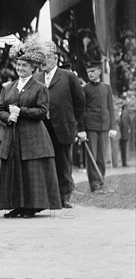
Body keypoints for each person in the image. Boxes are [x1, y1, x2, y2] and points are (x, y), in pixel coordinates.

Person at [0, 38, 61, 218]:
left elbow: (42, 111)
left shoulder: (39, 88)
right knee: (15, 170)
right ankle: (17, 205)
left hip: (33, 136)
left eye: (24, 65)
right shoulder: (8, 88)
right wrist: (8, 117)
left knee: (31, 170)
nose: (20, 68)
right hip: (12, 135)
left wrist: (21, 111)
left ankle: (31, 207)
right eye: (18, 64)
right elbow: (0, 109)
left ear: (33, 68)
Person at [35, 41, 85, 208]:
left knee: (63, 162)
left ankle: (65, 196)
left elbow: (80, 103)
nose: (43, 61)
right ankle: (50, 196)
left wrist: (73, 122)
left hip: (63, 126)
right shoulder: (37, 79)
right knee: (46, 161)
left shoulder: (69, 76)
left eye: (47, 57)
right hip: (43, 127)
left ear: (55, 58)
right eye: (41, 57)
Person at [77, 61, 118, 193]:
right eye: (88, 72)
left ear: (99, 71)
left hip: (104, 126)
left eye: (93, 71)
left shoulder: (106, 87)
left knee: (101, 156)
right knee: (92, 157)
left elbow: (110, 108)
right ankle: (94, 185)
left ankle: (101, 182)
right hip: (91, 127)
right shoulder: (85, 89)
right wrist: (82, 130)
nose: (90, 74)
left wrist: (113, 127)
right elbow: (81, 111)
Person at [118, 96, 133, 167]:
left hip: (123, 133)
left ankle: (124, 162)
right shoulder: (125, 113)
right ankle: (124, 163)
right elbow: (125, 123)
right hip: (124, 134)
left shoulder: (123, 113)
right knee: (124, 149)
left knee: (123, 149)